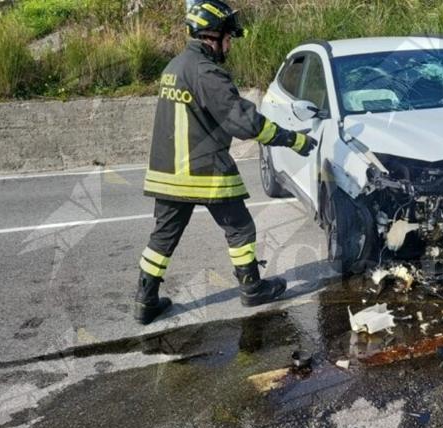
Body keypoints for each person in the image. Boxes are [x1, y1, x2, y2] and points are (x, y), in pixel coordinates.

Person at [134, 0, 317, 325]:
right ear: (211, 35)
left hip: (167, 173)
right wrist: (294, 139)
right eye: (228, 38)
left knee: (162, 237)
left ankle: (145, 301)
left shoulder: (173, 67)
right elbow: (243, 122)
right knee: (240, 227)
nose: (230, 46)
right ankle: (252, 288)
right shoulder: (207, 72)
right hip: (203, 170)